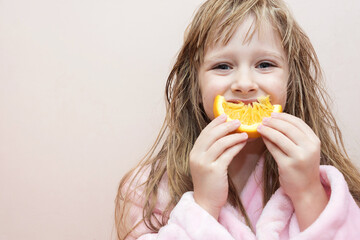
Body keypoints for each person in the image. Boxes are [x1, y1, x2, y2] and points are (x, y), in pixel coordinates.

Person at [115, 0, 360, 239]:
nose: (244, 84)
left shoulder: (326, 183)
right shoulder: (147, 192)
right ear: (195, 85)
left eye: (265, 64)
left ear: (291, 81)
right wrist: (203, 207)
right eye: (222, 66)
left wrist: (308, 194)